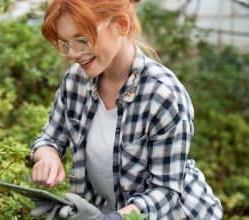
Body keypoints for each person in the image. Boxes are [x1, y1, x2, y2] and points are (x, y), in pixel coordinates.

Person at [30, 0, 223, 219]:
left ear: (121, 24)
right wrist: (49, 158)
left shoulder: (162, 94)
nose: (73, 53)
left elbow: (166, 191)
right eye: (64, 44)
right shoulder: (76, 80)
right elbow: (49, 139)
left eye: (82, 40)